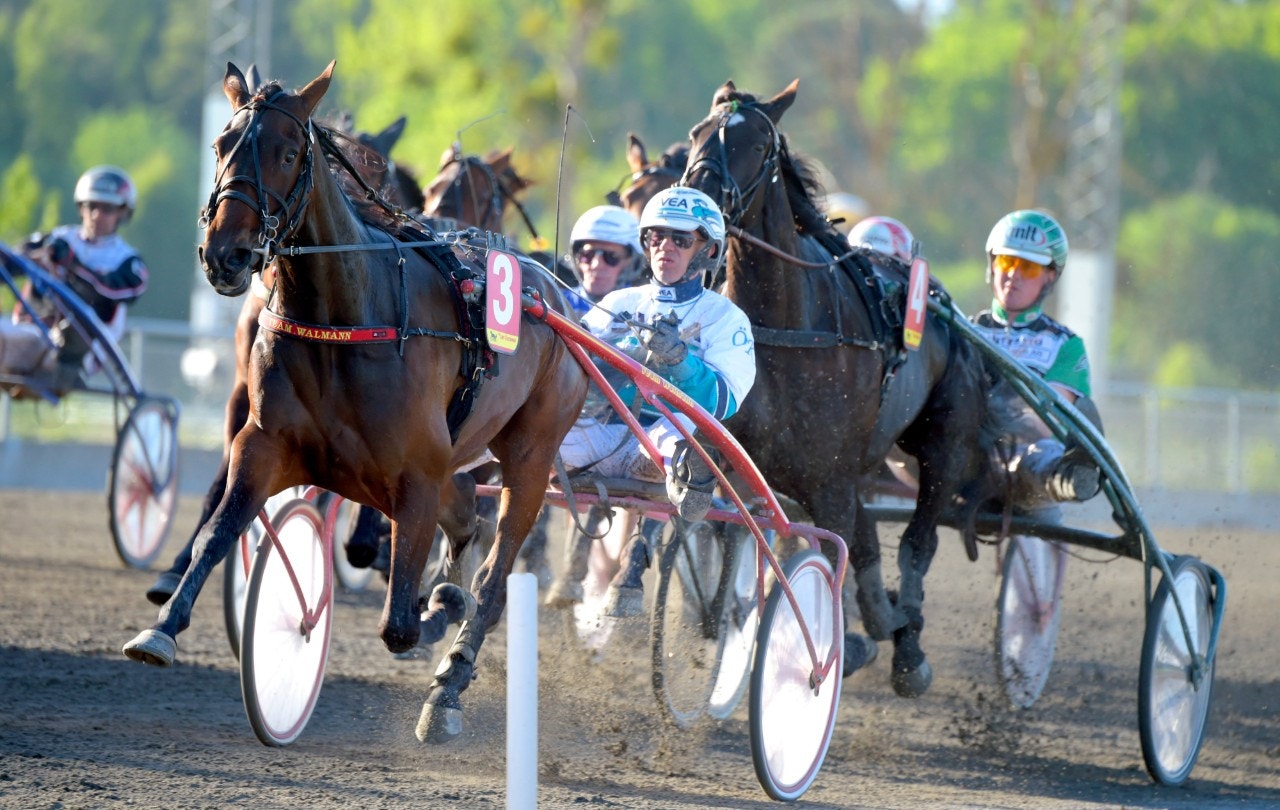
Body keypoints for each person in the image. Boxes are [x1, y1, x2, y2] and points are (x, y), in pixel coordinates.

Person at [547, 188, 755, 613]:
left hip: (661, 441)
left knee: (683, 431)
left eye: (681, 240)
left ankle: (689, 479)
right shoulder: (617, 303)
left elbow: (722, 401)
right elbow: (569, 369)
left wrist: (678, 361)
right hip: (598, 436)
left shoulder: (725, 318)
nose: (666, 248)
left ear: (707, 251)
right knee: (520, 431)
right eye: (657, 237)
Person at [970, 209, 1101, 515]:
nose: (1013, 274)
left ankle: (1067, 477)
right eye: (1006, 261)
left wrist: (993, 430)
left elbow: (1048, 421)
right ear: (992, 265)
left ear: (1050, 276)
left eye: (1027, 267)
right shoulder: (962, 331)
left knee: (1044, 450)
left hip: (1023, 461)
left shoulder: (1065, 345)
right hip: (962, 453)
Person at [11, 166, 148, 393]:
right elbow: (13, 260)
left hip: (85, 346)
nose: (96, 215)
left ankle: (57, 365)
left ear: (122, 212)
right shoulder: (58, 237)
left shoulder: (127, 259)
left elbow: (116, 291)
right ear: (81, 207)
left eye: (107, 209)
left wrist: (72, 264)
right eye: (91, 206)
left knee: (82, 299)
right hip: (34, 328)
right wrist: (36, 258)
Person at [562, 204, 645, 319]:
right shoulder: (554, 305)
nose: (596, 265)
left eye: (611, 257)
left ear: (631, 263)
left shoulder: (646, 309)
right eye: (588, 255)